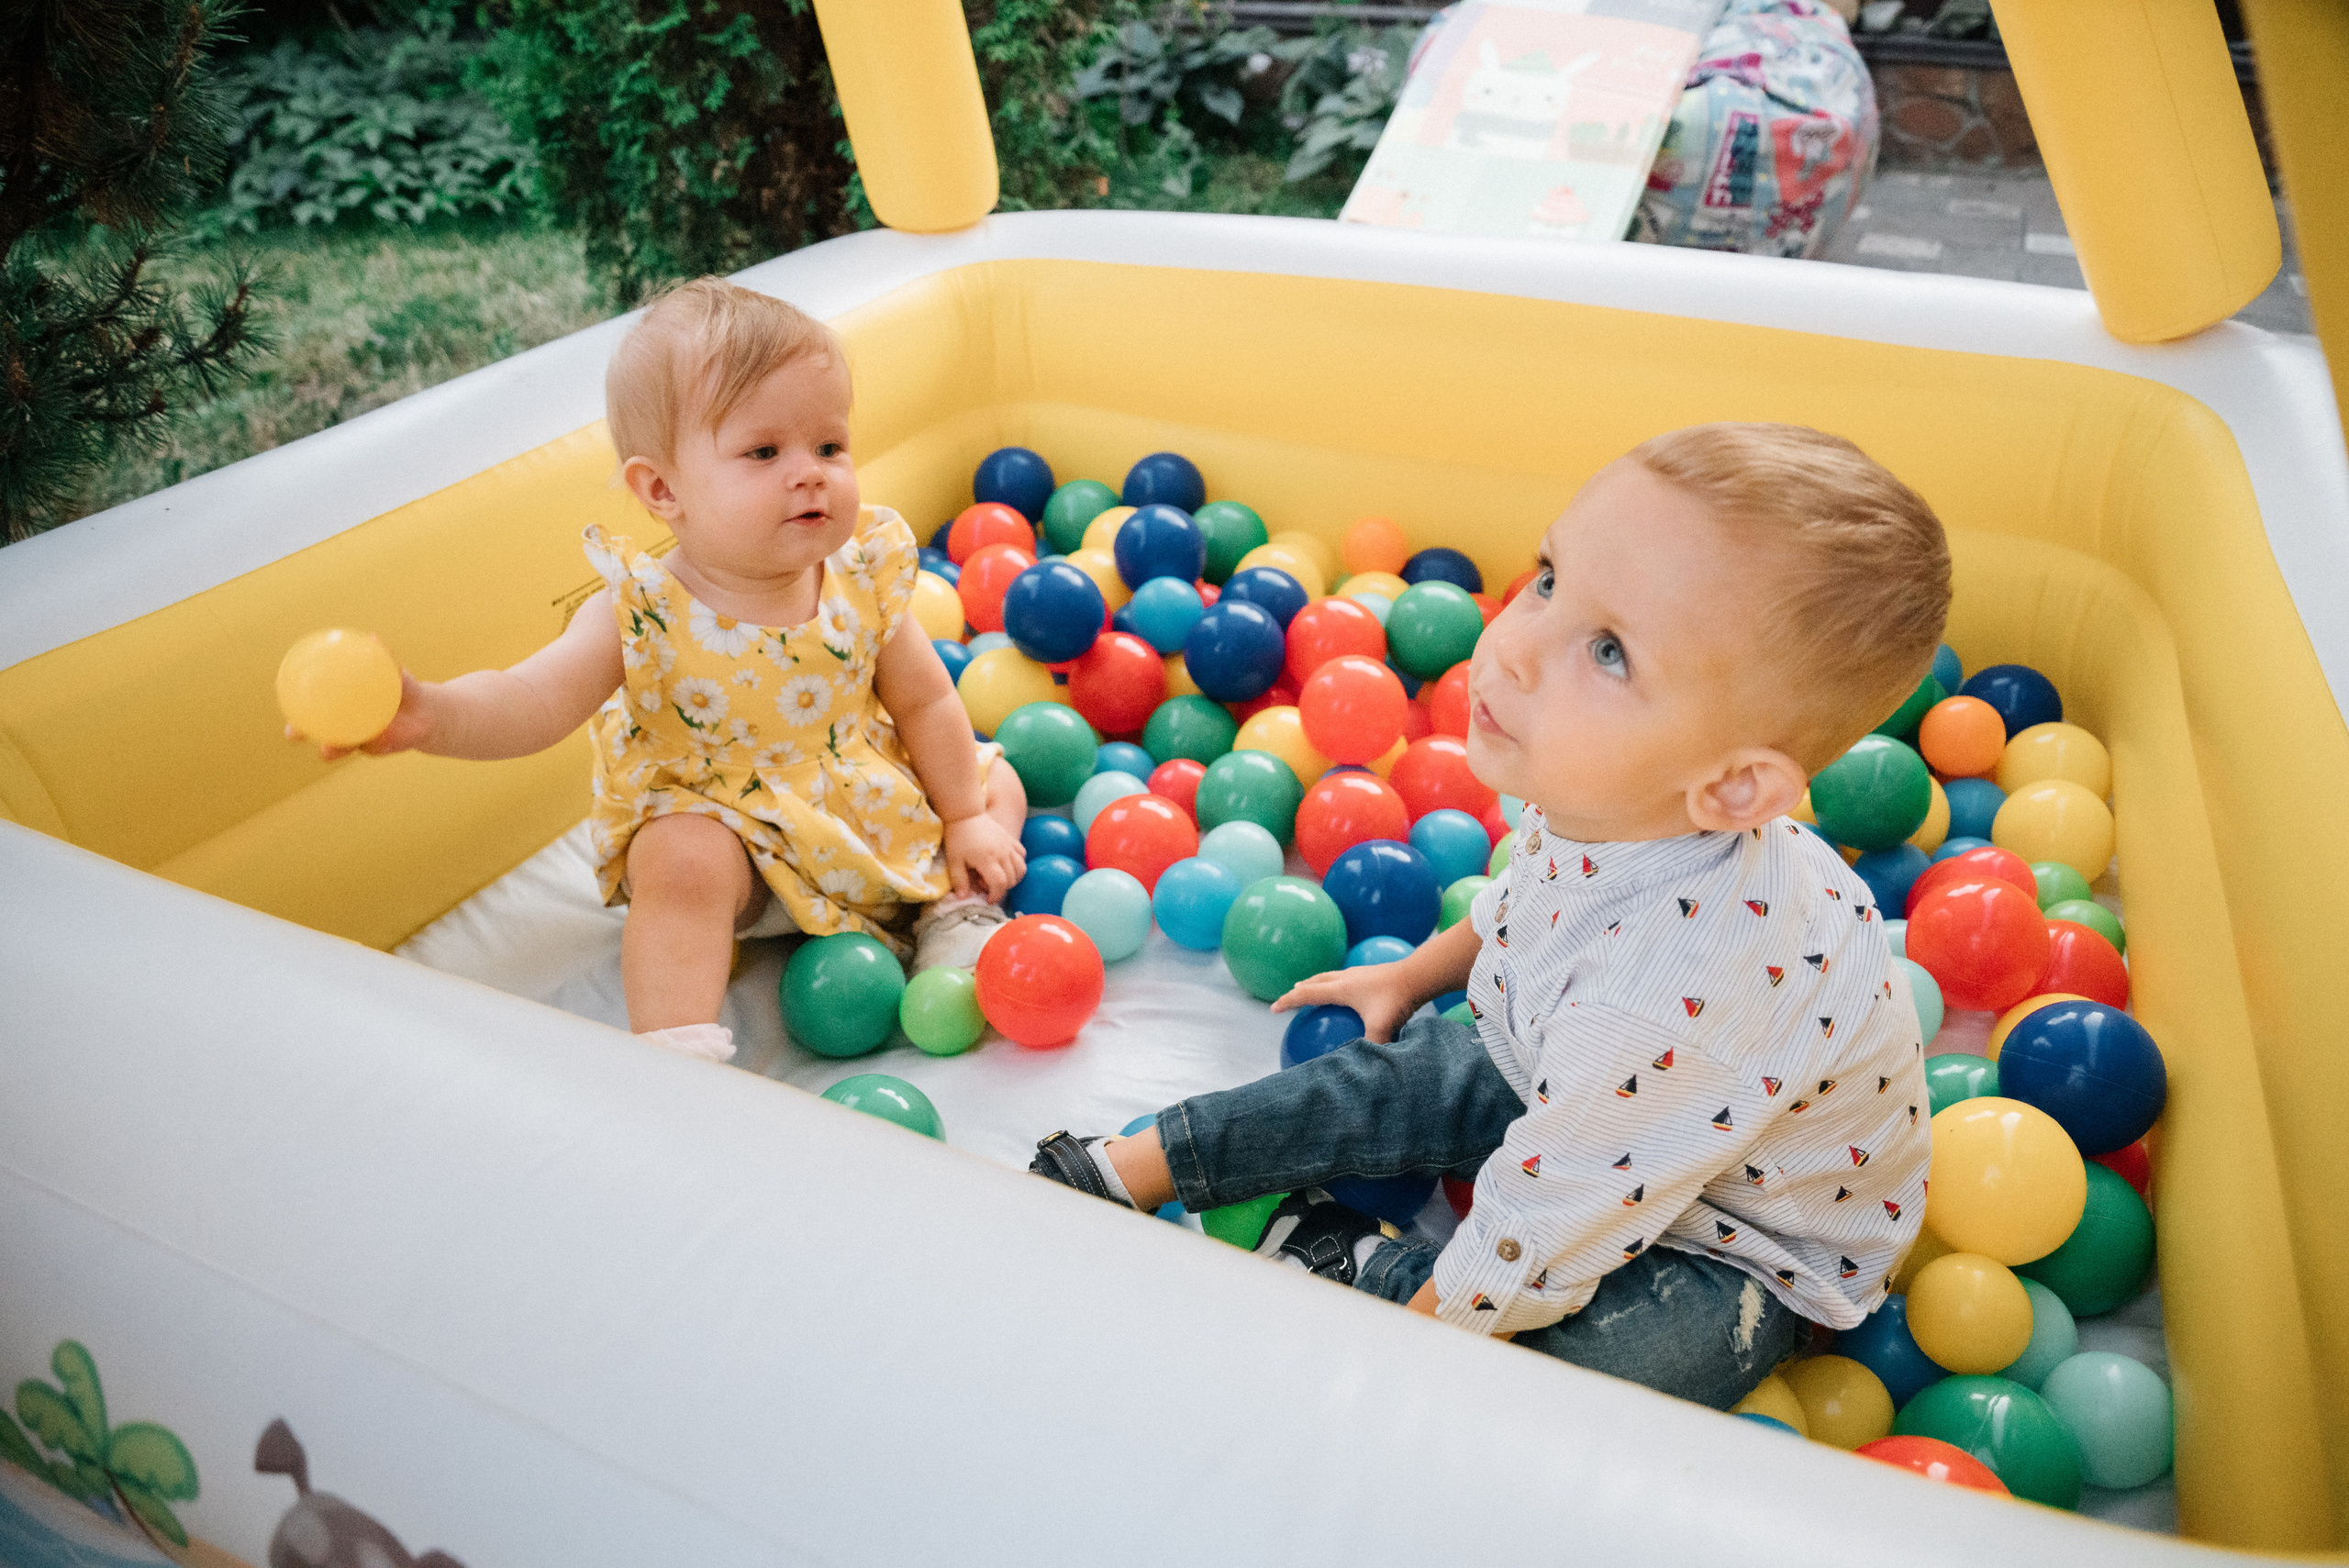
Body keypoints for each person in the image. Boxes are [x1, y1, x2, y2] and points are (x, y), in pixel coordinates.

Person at [1030, 423, 1949, 1407]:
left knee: (1583, 1384)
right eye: (1548, 579)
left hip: (1744, 1241)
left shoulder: (1663, 1001)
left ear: (1731, 788)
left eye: (1608, 651)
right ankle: (1126, 1165)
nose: (1510, 645)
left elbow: (1532, 1226)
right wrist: (1412, 973)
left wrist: (1414, 1345)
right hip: (1581, 1080)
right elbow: (1533, 901)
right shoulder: (1613, 798)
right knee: (1383, 1081)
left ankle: (1353, 1264)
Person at [289, 278, 1028, 1062]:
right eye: (764, 452)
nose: (810, 472)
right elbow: (531, 699)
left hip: (867, 810)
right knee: (678, 856)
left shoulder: (861, 575)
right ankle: (675, 1055)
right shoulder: (642, 612)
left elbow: (927, 702)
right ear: (663, 489)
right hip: (739, 847)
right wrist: (431, 713)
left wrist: (963, 816)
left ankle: (955, 911)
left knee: (998, 784)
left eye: (829, 447)